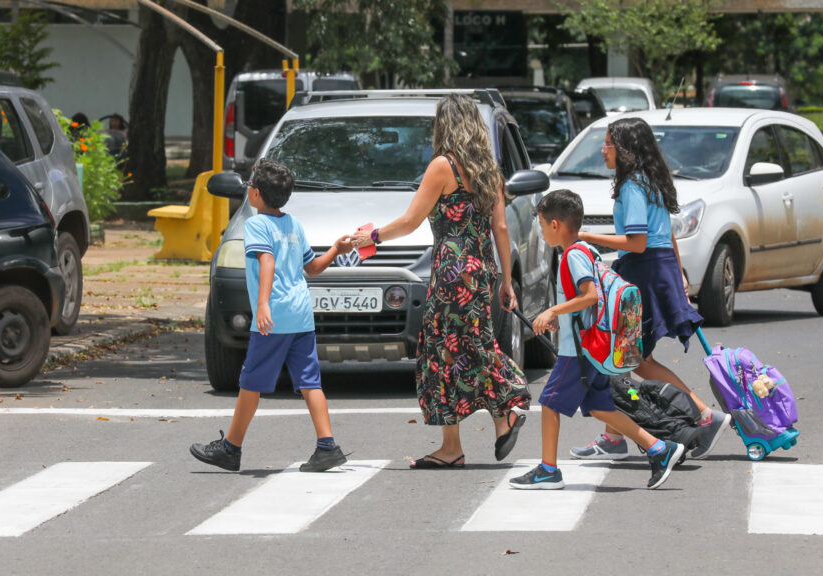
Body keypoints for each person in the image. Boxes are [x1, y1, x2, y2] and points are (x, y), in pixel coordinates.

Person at [350, 94, 530, 469]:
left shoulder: (442, 166)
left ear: (444, 125)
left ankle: (508, 402)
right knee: (463, 346)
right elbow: (500, 226)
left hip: (450, 273)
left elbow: (411, 220)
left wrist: (374, 237)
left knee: (443, 351)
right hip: (480, 271)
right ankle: (490, 426)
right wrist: (507, 280)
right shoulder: (488, 169)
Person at [571, 117, 732, 461]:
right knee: (622, 359)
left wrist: (584, 236)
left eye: (609, 144)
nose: (603, 150)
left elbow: (638, 242)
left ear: (626, 150)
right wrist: (678, 273)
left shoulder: (633, 187)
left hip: (642, 273)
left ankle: (704, 414)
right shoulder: (649, 181)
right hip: (654, 271)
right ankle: (614, 438)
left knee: (635, 360)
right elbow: (667, 236)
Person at [510, 189, 685, 490]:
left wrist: (553, 310)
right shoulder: (586, 250)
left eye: (541, 225)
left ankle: (548, 470)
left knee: (550, 404)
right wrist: (560, 320)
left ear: (555, 225)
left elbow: (589, 296)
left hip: (577, 352)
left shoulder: (572, 256)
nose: (541, 231)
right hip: (590, 346)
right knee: (600, 406)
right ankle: (659, 448)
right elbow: (588, 301)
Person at [189, 158, 354, 473]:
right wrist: (336, 249)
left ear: (255, 194)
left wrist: (262, 304)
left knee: (251, 382)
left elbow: (266, 262)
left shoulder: (256, 225)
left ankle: (230, 448)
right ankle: (327, 445)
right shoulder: (293, 224)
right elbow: (313, 268)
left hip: (275, 316)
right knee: (310, 382)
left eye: (251, 184)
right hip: (301, 315)